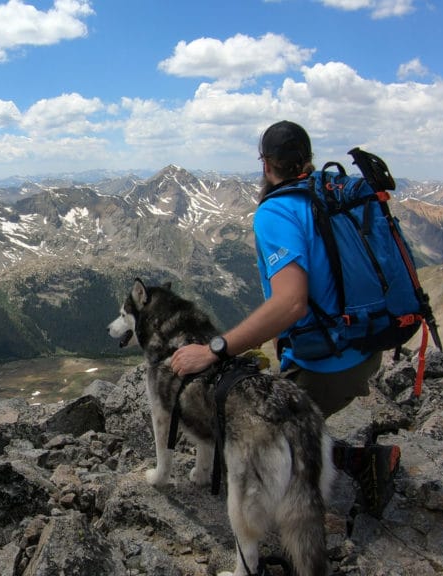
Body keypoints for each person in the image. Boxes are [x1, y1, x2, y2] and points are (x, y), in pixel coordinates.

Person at [168, 120, 400, 516]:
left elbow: (291, 303)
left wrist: (214, 351)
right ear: (306, 160)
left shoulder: (277, 211)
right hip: (366, 345)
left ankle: (363, 466)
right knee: (281, 425)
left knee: (250, 440)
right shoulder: (327, 195)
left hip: (330, 364)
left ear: (265, 164)